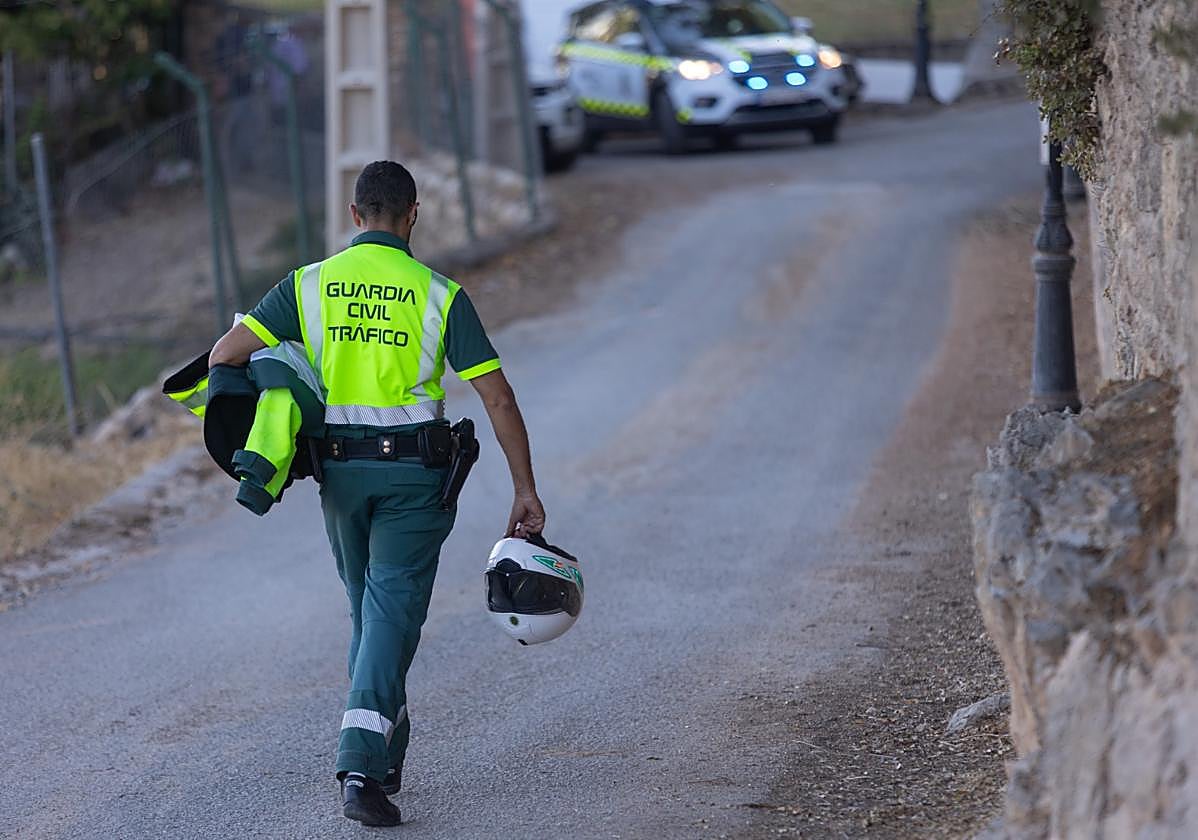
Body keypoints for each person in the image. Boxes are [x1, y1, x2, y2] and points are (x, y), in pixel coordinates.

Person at [208, 160, 546, 827]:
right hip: (415, 483)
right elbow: (498, 397)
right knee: (389, 613)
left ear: (355, 213)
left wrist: (278, 411)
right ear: (413, 214)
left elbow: (226, 354)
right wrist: (524, 488)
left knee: (372, 616)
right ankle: (360, 766)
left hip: (340, 479)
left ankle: (385, 750)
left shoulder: (307, 285)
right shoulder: (440, 295)